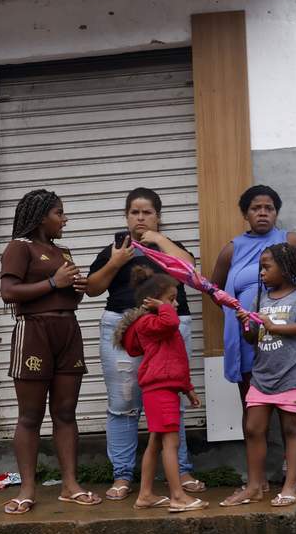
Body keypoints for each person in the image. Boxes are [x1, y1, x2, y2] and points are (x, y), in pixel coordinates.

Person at [209, 185, 296, 485]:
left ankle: (292, 477)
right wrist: (235, 311)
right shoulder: (233, 248)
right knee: (252, 409)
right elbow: (213, 289)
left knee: (289, 412)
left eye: (269, 208)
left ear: (276, 212)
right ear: (245, 214)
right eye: (256, 208)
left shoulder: (288, 242)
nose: (263, 213)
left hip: (282, 337)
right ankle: (258, 479)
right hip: (247, 336)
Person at [85, 188, 207, 500]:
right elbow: (93, 289)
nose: (140, 218)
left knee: (170, 397)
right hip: (124, 327)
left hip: (169, 326)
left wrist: (159, 241)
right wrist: (115, 262)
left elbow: (190, 272)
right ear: (126, 216)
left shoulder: (169, 246)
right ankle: (123, 475)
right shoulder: (115, 249)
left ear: (158, 216)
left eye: (147, 212)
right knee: (123, 404)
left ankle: (181, 470)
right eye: (134, 212)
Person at [0, 189, 102, 514]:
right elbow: (8, 292)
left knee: (66, 412)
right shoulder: (19, 247)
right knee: (30, 415)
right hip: (34, 332)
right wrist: (54, 284)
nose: (65, 220)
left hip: (67, 331)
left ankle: (70, 485)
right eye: (59, 213)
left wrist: (77, 289)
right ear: (42, 216)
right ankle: (27, 489)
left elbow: (68, 299)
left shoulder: (63, 252)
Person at [223, 243, 296, 507]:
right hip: (262, 376)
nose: (261, 273)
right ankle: (254, 485)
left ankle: (290, 486)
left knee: (291, 428)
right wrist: (247, 325)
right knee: (253, 428)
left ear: (286, 268)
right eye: (260, 268)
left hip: (290, 376)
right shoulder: (260, 299)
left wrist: (275, 326)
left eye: (266, 267)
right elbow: (254, 337)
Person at [113, 268, 207, 513]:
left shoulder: (162, 324)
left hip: (167, 389)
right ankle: (177, 495)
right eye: (171, 299)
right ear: (153, 301)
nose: (175, 304)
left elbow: (176, 360)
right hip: (159, 390)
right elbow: (171, 321)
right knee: (171, 443)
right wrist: (162, 307)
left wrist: (188, 389)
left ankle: (145, 495)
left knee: (156, 442)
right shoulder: (149, 323)